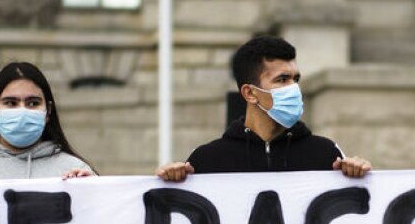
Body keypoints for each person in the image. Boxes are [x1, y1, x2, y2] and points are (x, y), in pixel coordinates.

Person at [155, 35, 371, 181]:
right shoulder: (207, 160)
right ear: (250, 93)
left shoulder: (327, 155)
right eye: (282, 80)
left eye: (296, 79)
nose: (293, 88)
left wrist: (356, 176)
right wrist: (170, 182)